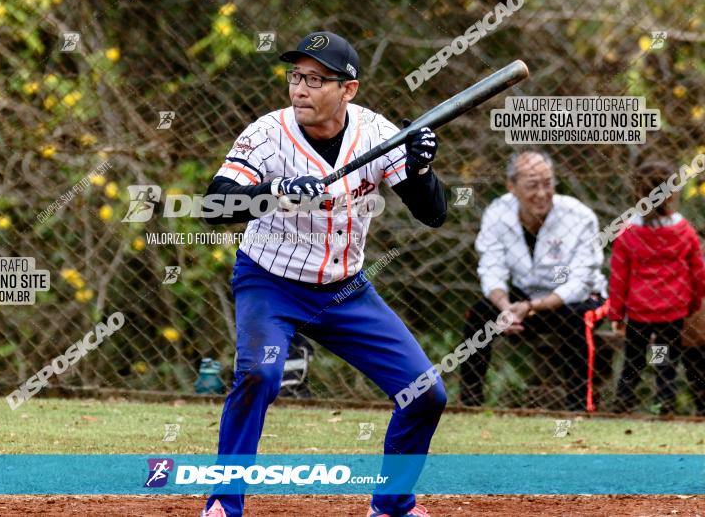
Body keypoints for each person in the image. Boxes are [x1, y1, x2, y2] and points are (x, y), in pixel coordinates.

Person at [200, 31, 447, 517]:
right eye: (296, 77)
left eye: (316, 79)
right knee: (261, 375)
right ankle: (224, 504)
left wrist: (421, 170)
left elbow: (433, 214)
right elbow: (213, 204)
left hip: (345, 291)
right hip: (271, 283)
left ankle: (393, 505)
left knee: (426, 394)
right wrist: (276, 190)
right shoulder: (268, 133)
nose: (300, 89)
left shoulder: (376, 134)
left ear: (348, 89)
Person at [459, 150, 607, 411]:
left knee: (576, 319)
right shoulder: (497, 213)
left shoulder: (579, 216)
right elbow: (491, 268)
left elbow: (580, 281)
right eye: (532, 185)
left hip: (577, 299)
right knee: (480, 312)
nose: (541, 193)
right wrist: (506, 308)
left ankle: (579, 408)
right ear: (512, 187)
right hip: (522, 301)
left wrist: (533, 307)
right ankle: (470, 405)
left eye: (547, 183)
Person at [609, 160, 705, 415]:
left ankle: (622, 404)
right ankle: (665, 404)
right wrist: (693, 304)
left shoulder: (627, 232)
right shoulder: (684, 232)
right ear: (673, 192)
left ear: (638, 191)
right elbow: (698, 274)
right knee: (665, 361)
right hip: (672, 313)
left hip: (639, 313)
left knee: (634, 360)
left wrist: (617, 315)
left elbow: (619, 277)